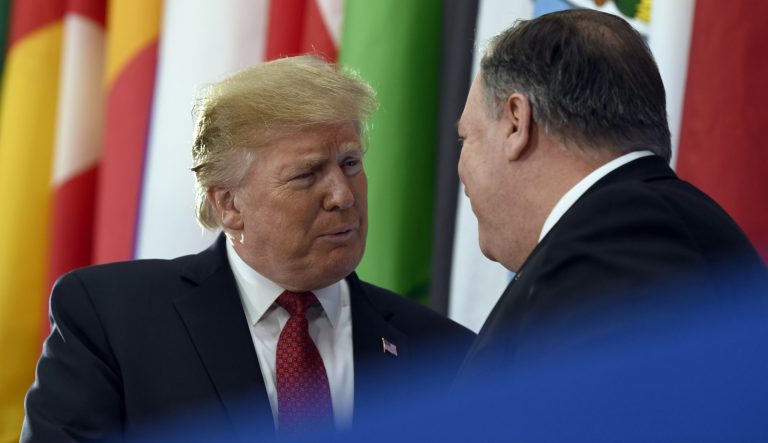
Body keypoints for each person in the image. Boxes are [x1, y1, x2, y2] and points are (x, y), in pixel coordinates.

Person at [21, 55, 474, 442]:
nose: (343, 195)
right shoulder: (111, 320)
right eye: (307, 174)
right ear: (228, 203)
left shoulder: (445, 353)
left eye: (350, 164)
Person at [455, 9, 766, 380]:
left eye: (466, 138)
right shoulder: (656, 222)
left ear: (515, 123)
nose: (461, 169)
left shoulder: (622, 231)